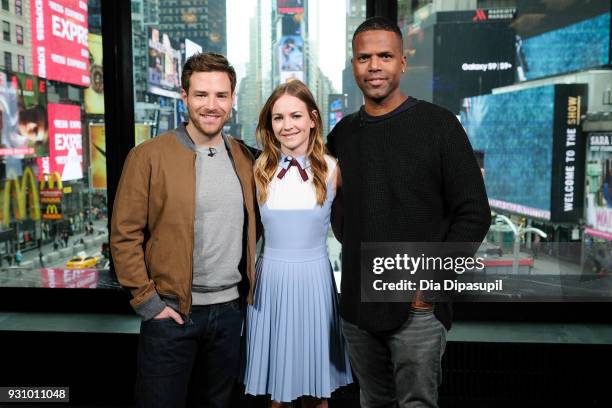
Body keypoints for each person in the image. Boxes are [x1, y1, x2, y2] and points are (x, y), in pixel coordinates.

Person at [326, 17, 491, 407]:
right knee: (373, 401)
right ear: (353, 65)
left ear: (403, 61)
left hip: (418, 308)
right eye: (364, 57)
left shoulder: (440, 126)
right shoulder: (343, 133)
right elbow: (332, 204)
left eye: (385, 56)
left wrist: (429, 287)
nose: (374, 66)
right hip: (357, 309)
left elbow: (474, 213)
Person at [111, 53, 258, 408]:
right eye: (201, 95)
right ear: (184, 96)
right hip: (171, 315)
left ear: (232, 100)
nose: (211, 105)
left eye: (221, 96)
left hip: (229, 315)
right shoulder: (147, 156)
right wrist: (150, 304)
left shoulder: (245, 157)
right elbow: (124, 236)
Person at [243, 80, 352, 407]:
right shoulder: (258, 169)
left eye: (295, 115)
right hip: (271, 283)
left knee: (319, 391)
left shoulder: (333, 169)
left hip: (315, 282)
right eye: (278, 118)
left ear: (313, 119)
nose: (287, 125)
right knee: (277, 392)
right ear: (270, 124)